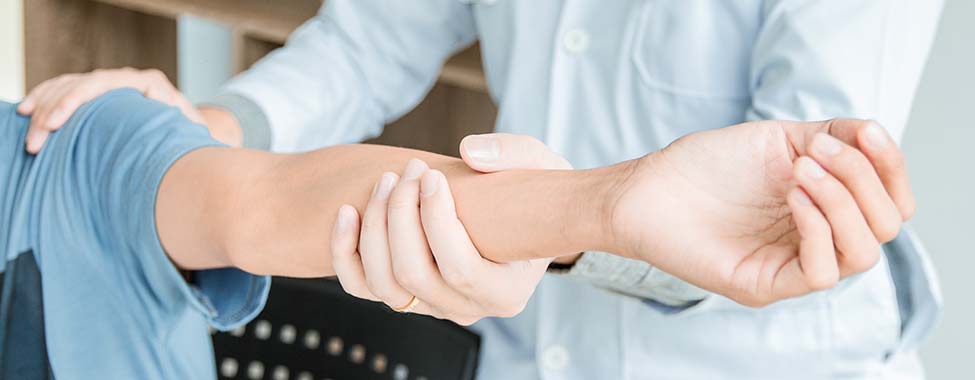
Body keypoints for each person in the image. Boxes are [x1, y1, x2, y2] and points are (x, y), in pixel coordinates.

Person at [19, 1, 944, 378]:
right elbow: (371, 41)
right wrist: (200, 132)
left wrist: (580, 220)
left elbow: (764, 214)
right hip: (521, 346)